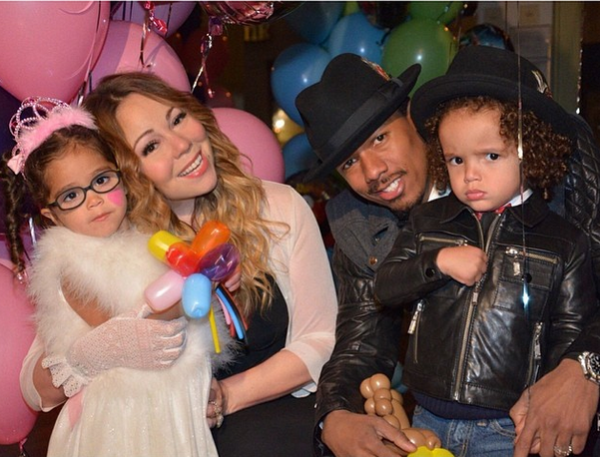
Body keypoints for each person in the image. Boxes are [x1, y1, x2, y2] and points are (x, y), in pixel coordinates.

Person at [295, 48, 600, 457]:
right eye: (349, 162)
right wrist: (333, 417)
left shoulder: (559, 169)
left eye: (379, 138)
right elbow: (361, 340)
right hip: (434, 422)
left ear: (413, 118)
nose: (372, 172)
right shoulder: (358, 220)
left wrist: (584, 366)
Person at [18, 73, 337, 457]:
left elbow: (322, 339)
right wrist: (92, 353)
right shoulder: (112, 242)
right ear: (125, 170)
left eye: (178, 119)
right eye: (151, 145)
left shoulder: (276, 207)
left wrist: (228, 394)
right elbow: (34, 387)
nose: (183, 144)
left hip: (278, 429)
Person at [1, 97, 228, 456]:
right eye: (71, 195)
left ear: (121, 177)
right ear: (52, 215)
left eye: (102, 180)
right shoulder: (69, 264)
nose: (94, 200)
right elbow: (134, 327)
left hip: (170, 403)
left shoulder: (150, 238)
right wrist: (200, 282)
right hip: (121, 418)